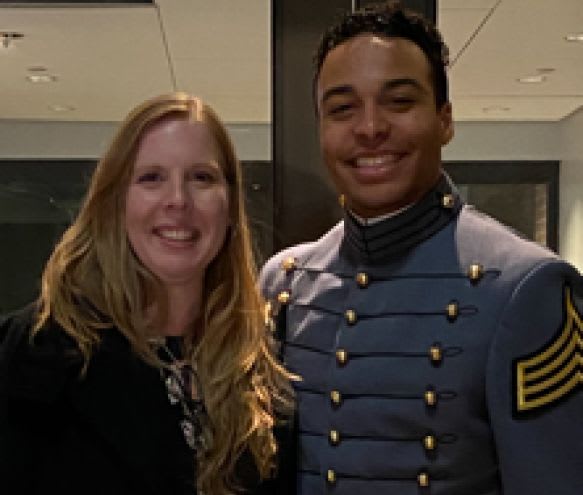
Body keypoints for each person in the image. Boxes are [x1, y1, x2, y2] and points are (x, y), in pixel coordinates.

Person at [260, 2, 583, 494]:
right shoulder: (283, 282)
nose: (369, 128)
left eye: (399, 102)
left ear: (445, 119)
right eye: (343, 108)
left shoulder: (526, 287)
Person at [0, 92, 294, 495]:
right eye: (151, 178)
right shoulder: (35, 353)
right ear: (116, 203)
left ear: (230, 208)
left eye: (201, 178)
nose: (177, 200)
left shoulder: (259, 367)